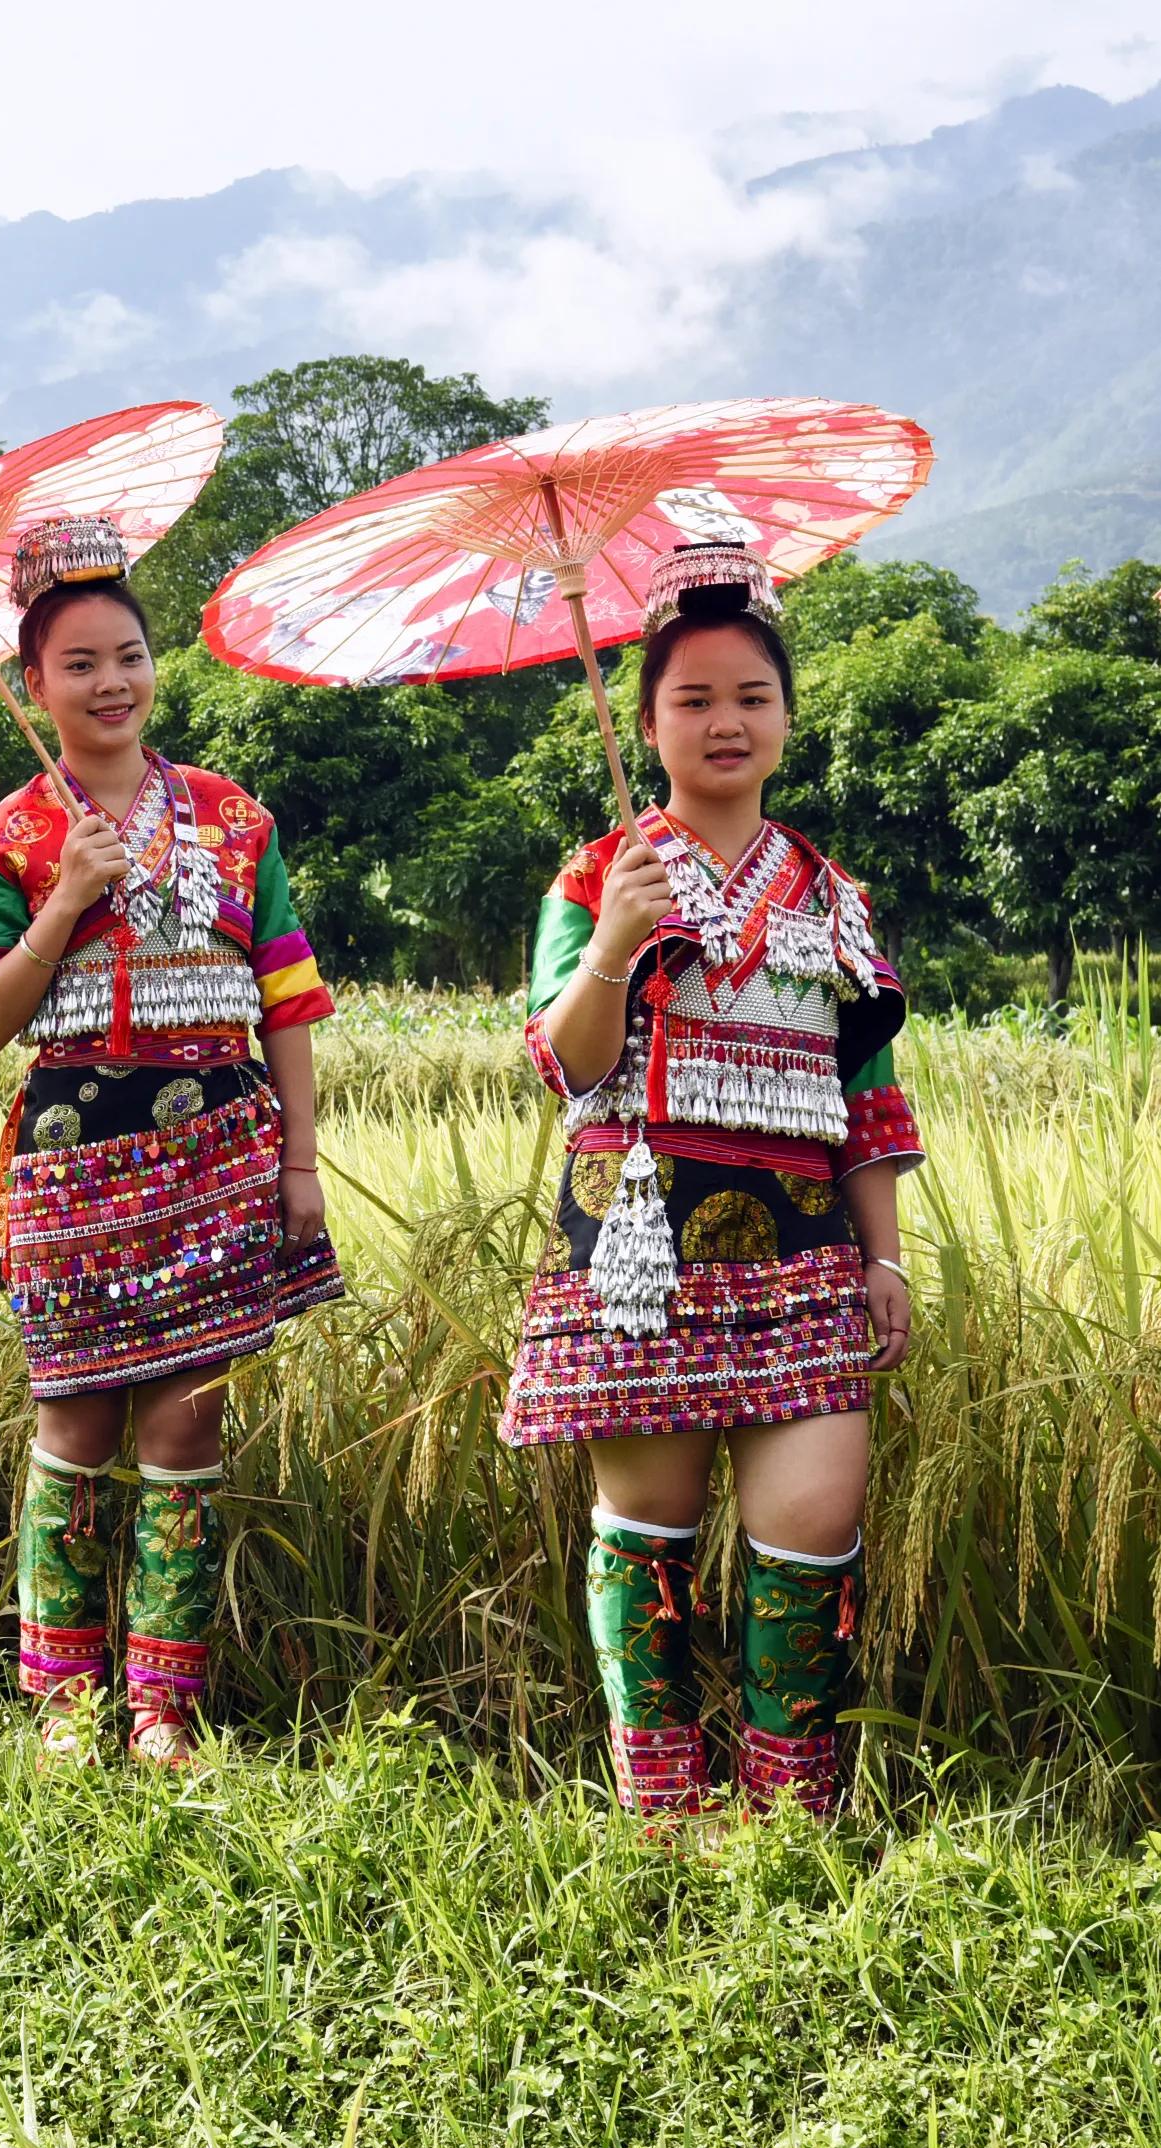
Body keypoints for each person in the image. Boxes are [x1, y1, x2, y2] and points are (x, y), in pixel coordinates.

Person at [503, 541, 918, 1821]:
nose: (725, 720)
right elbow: (566, 1064)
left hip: (804, 1246)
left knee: (817, 1516)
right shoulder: (596, 876)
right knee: (651, 1529)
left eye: (751, 695)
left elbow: (868, 1100)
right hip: (642, 1248)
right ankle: (662, 1807)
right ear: (647, 723)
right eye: (692, 698)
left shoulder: (831, 896)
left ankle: (789, 1813)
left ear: (787, 717)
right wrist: (617, 940)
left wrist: (888, 1254)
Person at [0, 518, 340, 1768]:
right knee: (74, 1424)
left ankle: (163, 1703)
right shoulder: (7, 840)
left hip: (218, 1149)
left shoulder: (235, 819)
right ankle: (66, 1703)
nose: (111, 682)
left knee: (186, 1428)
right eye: (79, 664)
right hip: (71, 1154)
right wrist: (64, 897)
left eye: (129, 655)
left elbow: (286, 1004)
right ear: (34, 683)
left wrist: (300, 1164)